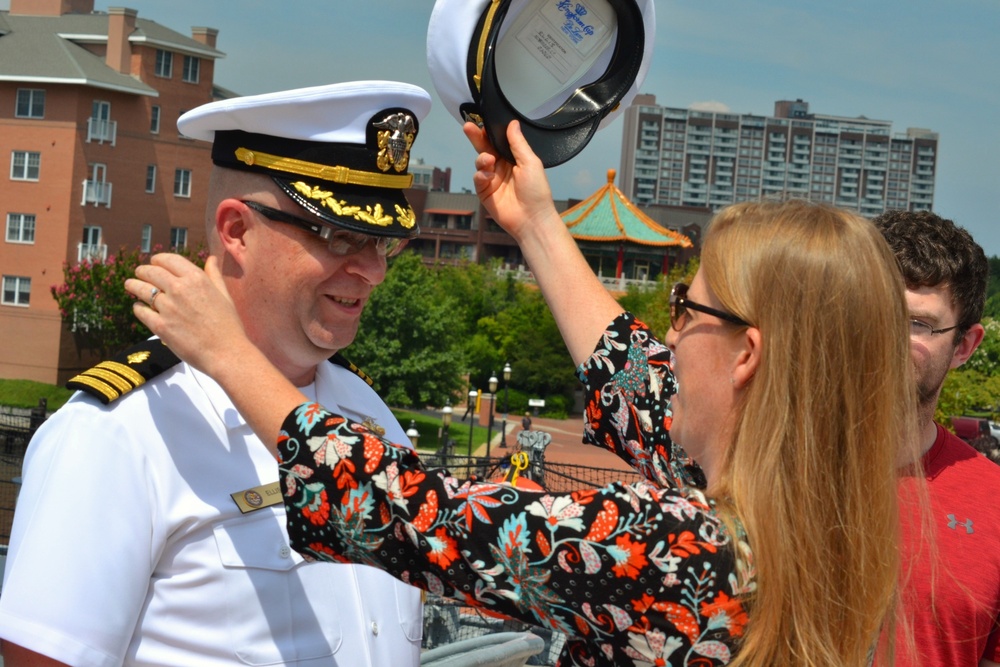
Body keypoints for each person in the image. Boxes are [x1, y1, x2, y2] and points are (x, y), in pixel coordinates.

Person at [127, 120, 919, 667]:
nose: (667, 336)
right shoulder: (806, 527)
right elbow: (636, 385)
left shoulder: (678, 547)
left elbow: (410, 512)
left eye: (687, 310)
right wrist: (536, 224)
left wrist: (228, 352)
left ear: (748, 355)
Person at [0, 82, 432, 666]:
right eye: (343, 236)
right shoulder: (121, 433)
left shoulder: (370, 415)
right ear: (237, 232)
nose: (373, 271)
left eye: (383, 242)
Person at [873, 210, 1000, 666]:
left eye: (918, 324)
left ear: (964, 346)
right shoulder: (775, 464)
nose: (888, 336)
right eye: (876, 311)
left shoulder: (995, 507)